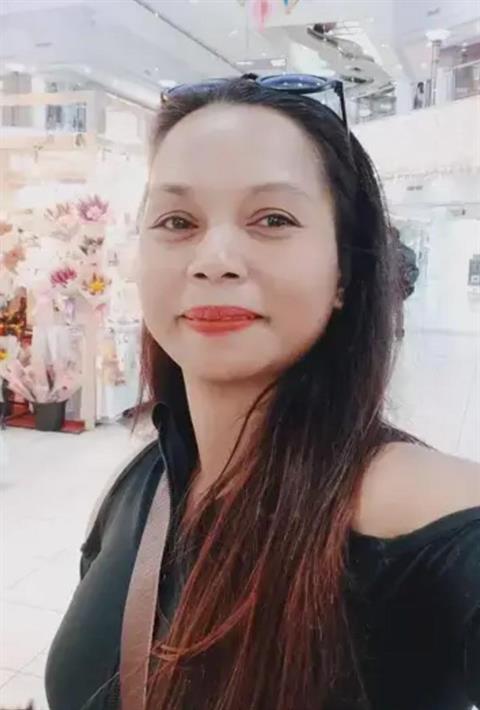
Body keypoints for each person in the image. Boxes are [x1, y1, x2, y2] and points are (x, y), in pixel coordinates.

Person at [45, 75, 480, 710]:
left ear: (344, 270)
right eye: (177, 221)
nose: (214, 258)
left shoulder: (418, 512)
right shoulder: (140, 487)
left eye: (273, 219)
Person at [391, 226, 419, 338]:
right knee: (398, 309)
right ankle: (398, 330)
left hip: (394, 285)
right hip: (399, 285)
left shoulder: (388, 252)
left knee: (394, 309)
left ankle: (394, 330)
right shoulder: (408, 252)